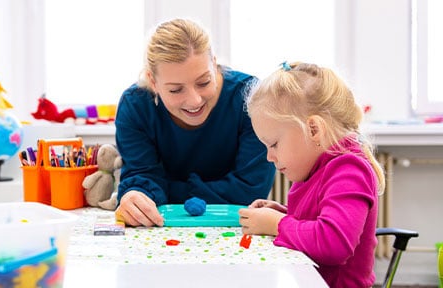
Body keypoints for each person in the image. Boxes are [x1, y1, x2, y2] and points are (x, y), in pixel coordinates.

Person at [114, 18, 275, 227]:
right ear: (153, 82)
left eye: (204, 82)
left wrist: (165, 190)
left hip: (238, 227)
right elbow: (141, 178)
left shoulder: (251, 98)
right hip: (163, 230)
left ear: (214, 64)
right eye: (175, 90)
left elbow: (250, 189)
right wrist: (135, 197)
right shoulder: (135, 106)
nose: (195, 100)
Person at [239, 61, 385, 287]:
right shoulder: (315, 167)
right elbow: (322, 219)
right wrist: (285, 214)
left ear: (314, 130)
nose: (269, 157)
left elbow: (334, 243)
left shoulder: (349, 170)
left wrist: (278, 224)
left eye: (274, 144)